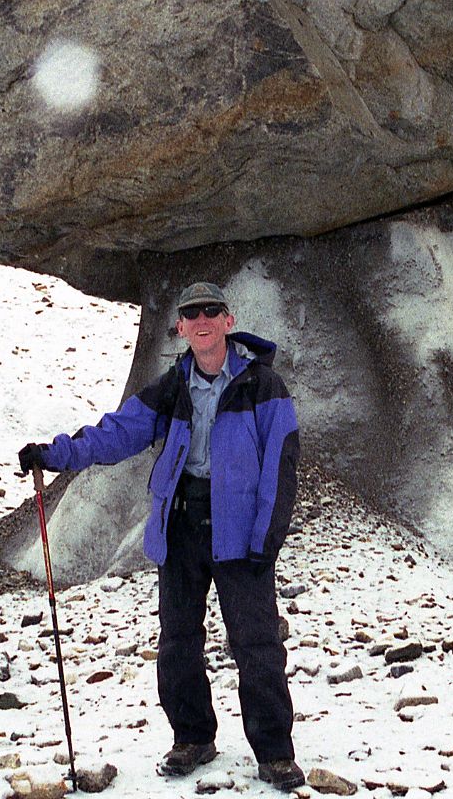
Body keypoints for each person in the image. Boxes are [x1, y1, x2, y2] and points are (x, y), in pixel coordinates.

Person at [18, 281, 305, 790]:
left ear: (228, 320)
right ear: (180, 328)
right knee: (178, 642)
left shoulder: (264, 386)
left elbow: (280, 467)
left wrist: (268, 538)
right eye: (191, 313)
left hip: (241, 535)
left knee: (256, 643)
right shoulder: (172, 386)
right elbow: (117, 433)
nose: (201, 320)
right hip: (182, 527)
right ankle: (193, 738)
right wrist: (55, 454)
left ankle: (275, 753)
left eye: (211, 311)